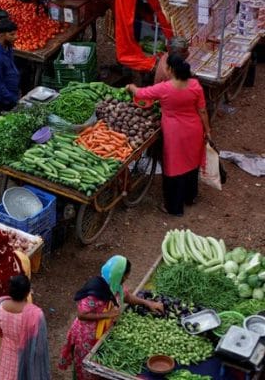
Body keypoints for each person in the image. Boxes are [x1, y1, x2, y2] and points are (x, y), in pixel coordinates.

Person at [127, 54, 210, 216]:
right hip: (194, 129)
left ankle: (174, 208)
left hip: (174, 133)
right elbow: (202, 110)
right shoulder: (195, 85)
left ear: (171, 70)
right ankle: (190, 197)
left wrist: (131, 87)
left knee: (174, 168)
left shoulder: (164, 88)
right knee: (192, 164)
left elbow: (142, 93)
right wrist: (208, 130)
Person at [59, 255, 163, 380]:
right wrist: (108, 315)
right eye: (125, 275)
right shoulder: (95, 289)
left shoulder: (115, 285)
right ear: (119, 274)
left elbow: (127, 297)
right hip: (87, 337)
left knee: (99, 367)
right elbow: (82, 315)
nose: (126, 278)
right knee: (86, 369)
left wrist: (148, 303)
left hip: (103, 334)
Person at [0, 275, 50, 380]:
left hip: (5, 354)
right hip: (25, 357)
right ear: (27, 293)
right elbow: (40, 348)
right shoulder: (36, 315)